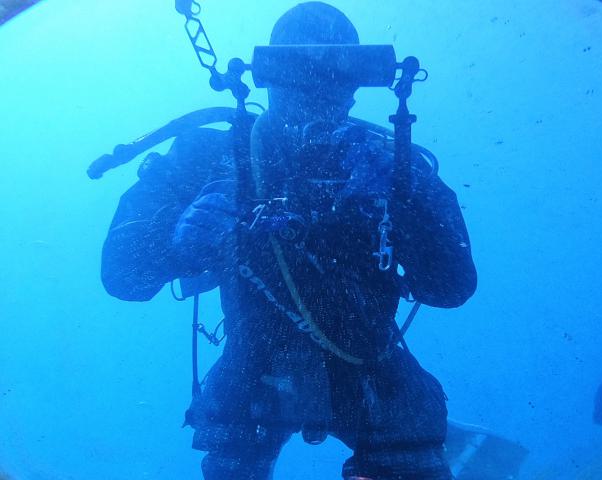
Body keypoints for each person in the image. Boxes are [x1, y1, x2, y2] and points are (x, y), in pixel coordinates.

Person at [100, 3, 477, 479]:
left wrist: (406, 201)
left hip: (361, 371)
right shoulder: (213, 158)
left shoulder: (392, 165)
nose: (316, 90)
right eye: (298, 72)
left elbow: (451, 286)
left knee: (404, 433)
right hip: (256, 371)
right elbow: (122, 276)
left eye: (336, 73)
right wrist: (178, 245)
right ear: (266, 76)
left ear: (358, 84)